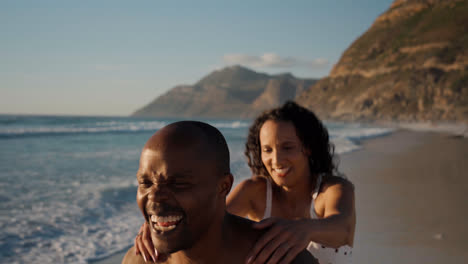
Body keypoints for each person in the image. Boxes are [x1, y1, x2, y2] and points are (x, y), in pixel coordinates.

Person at [135, 102, 355, 263]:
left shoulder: (332, 189)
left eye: (287, 147)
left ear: (308, 148)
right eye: (267, 150)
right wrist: (162, 222)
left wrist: (304, 229)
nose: (275, 160)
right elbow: (206, 218)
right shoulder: (255, 191)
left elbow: (342, 228)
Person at [123, 121, 318, 264]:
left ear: (223, 186)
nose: (154, 197)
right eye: (145, 183)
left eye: (178, 184)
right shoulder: (139, 261)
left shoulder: (280, 259)